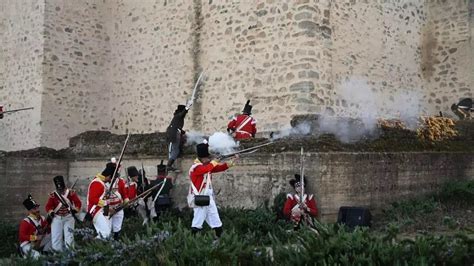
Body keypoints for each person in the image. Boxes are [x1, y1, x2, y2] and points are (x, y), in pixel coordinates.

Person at [188, 141, 238, 238]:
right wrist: (215, 161)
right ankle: (191, 242)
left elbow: (220, 168)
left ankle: (220, 240)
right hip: (200, 197)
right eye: (207, 157)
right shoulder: (195, 168)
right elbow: (206, 169)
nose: (209, 159)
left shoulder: (206, 166)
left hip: (208, 198)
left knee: (216, 219)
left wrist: (232, 162)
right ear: (202, 158)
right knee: (197, 222)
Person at [45, 175, 82, 252]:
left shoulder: (70, 193)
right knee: (56, 238)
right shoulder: (53, 195)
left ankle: (70, 255)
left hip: (69, 217)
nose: (61, 190)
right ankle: (57, 256)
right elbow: (48, 206)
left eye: (62, 189)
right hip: (57, 218)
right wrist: (51, 212)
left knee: (69, 237)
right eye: (59, 189)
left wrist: (75, 209)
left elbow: (78, 203)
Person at [86, 162, 116, 239]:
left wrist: (108, 208)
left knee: (106, 233)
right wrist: (105, 204)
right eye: (110, 179)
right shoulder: (97, 183)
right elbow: (92, 199)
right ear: (109, 176)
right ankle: (93, 246)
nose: (109, 181)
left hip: (99, 210)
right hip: (95, 211)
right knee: (105, 234)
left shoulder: (100, 182)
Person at [166, 100, 192, 171]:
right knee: (175, 151)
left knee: (176, 149)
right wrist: (187, 107)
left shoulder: (177, 117)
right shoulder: (178, 116)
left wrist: (183, 132)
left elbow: (177, 127)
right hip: (173, 134)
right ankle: (169, 165)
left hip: (174, 132)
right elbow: (182, 113)